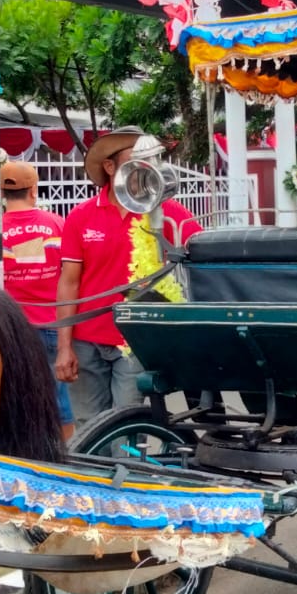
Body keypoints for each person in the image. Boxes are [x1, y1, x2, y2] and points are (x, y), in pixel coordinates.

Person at [54, 127, 202, 423]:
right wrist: (64, 347)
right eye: (136, 160)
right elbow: (69, 282)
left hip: (135, 339)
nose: (147, 168)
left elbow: (200, 254)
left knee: (126, 425)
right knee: (88, 428)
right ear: (109, 167)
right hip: (86, 339)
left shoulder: (168, 211)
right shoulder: (81, 216)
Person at [0, 161, 75, 441]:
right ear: (34, 190)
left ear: (2, 193)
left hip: (13, 329)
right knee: (61, 401)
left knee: (19, 398)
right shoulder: (56, 223)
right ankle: (71, 458)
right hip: (54, 325)